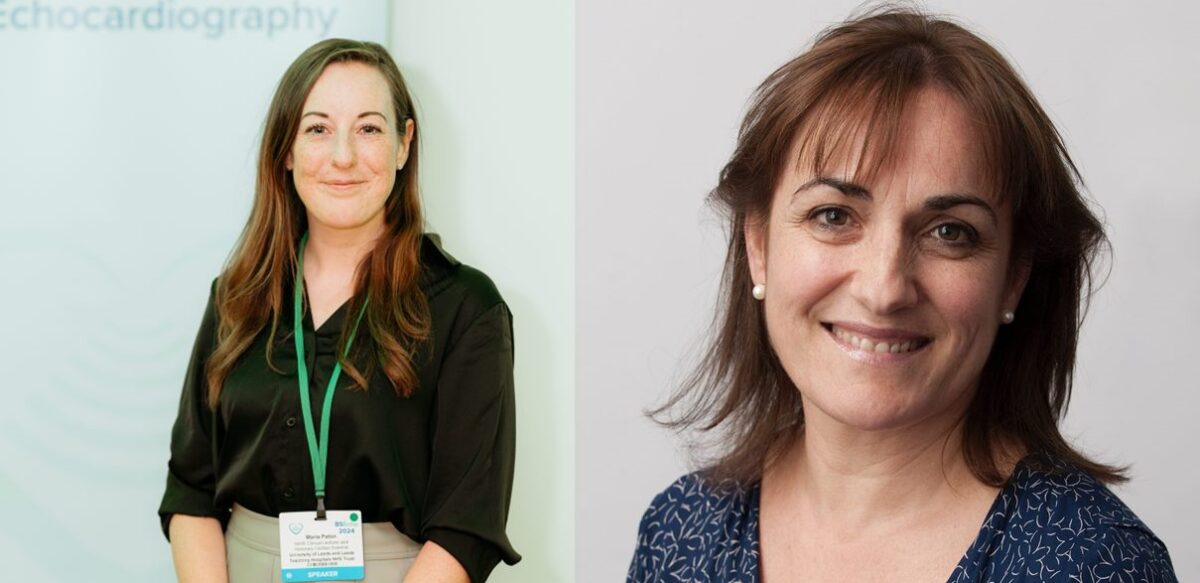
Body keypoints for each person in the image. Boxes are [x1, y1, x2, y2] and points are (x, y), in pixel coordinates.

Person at [628, 8, 1176, 583]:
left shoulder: (1092, 564)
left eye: (950, 232)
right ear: (759, 245)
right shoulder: (680, 532)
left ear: (1014, 277)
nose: (884, 288)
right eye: (834, 215)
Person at [158, 38, 519, 582]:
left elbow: (465, 527)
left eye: (370, 128)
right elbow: (191, 488)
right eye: (318, 129)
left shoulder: (467, 309)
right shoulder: (236, 297)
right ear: (286, 150)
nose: (343, 156)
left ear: (404, 144)